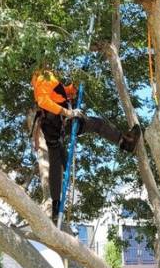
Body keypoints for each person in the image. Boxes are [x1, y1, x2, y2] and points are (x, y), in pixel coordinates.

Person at [31, 69, 141, 222]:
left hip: (55, 125)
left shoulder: (47, 78)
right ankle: (125, 142)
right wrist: (67, 113)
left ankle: (56, 208)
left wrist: (72, 88)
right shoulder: (43, 76)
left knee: (58, 162)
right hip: (56, 123)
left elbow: (60, 94)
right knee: (96, 125)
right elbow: (43, 102)